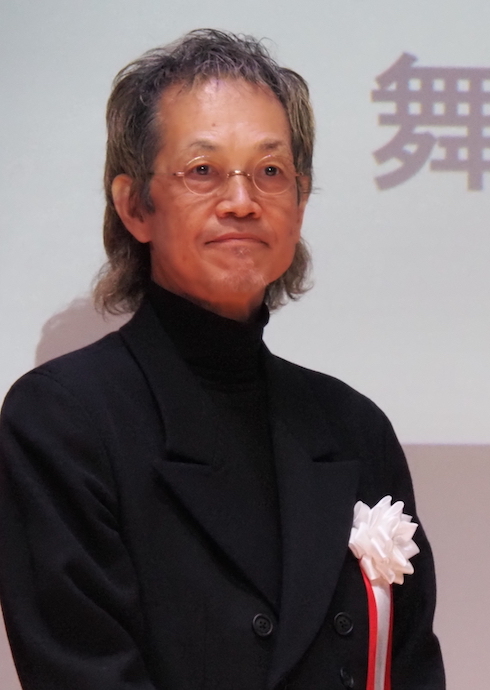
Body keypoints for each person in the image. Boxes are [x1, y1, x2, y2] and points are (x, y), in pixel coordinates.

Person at [0, 29, 444, 690]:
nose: (242, 201)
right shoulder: (63, 421)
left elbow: (410, 668)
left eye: (271, 172)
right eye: (203, 171)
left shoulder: (354, 429)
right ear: (134, 206)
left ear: (300, 203)